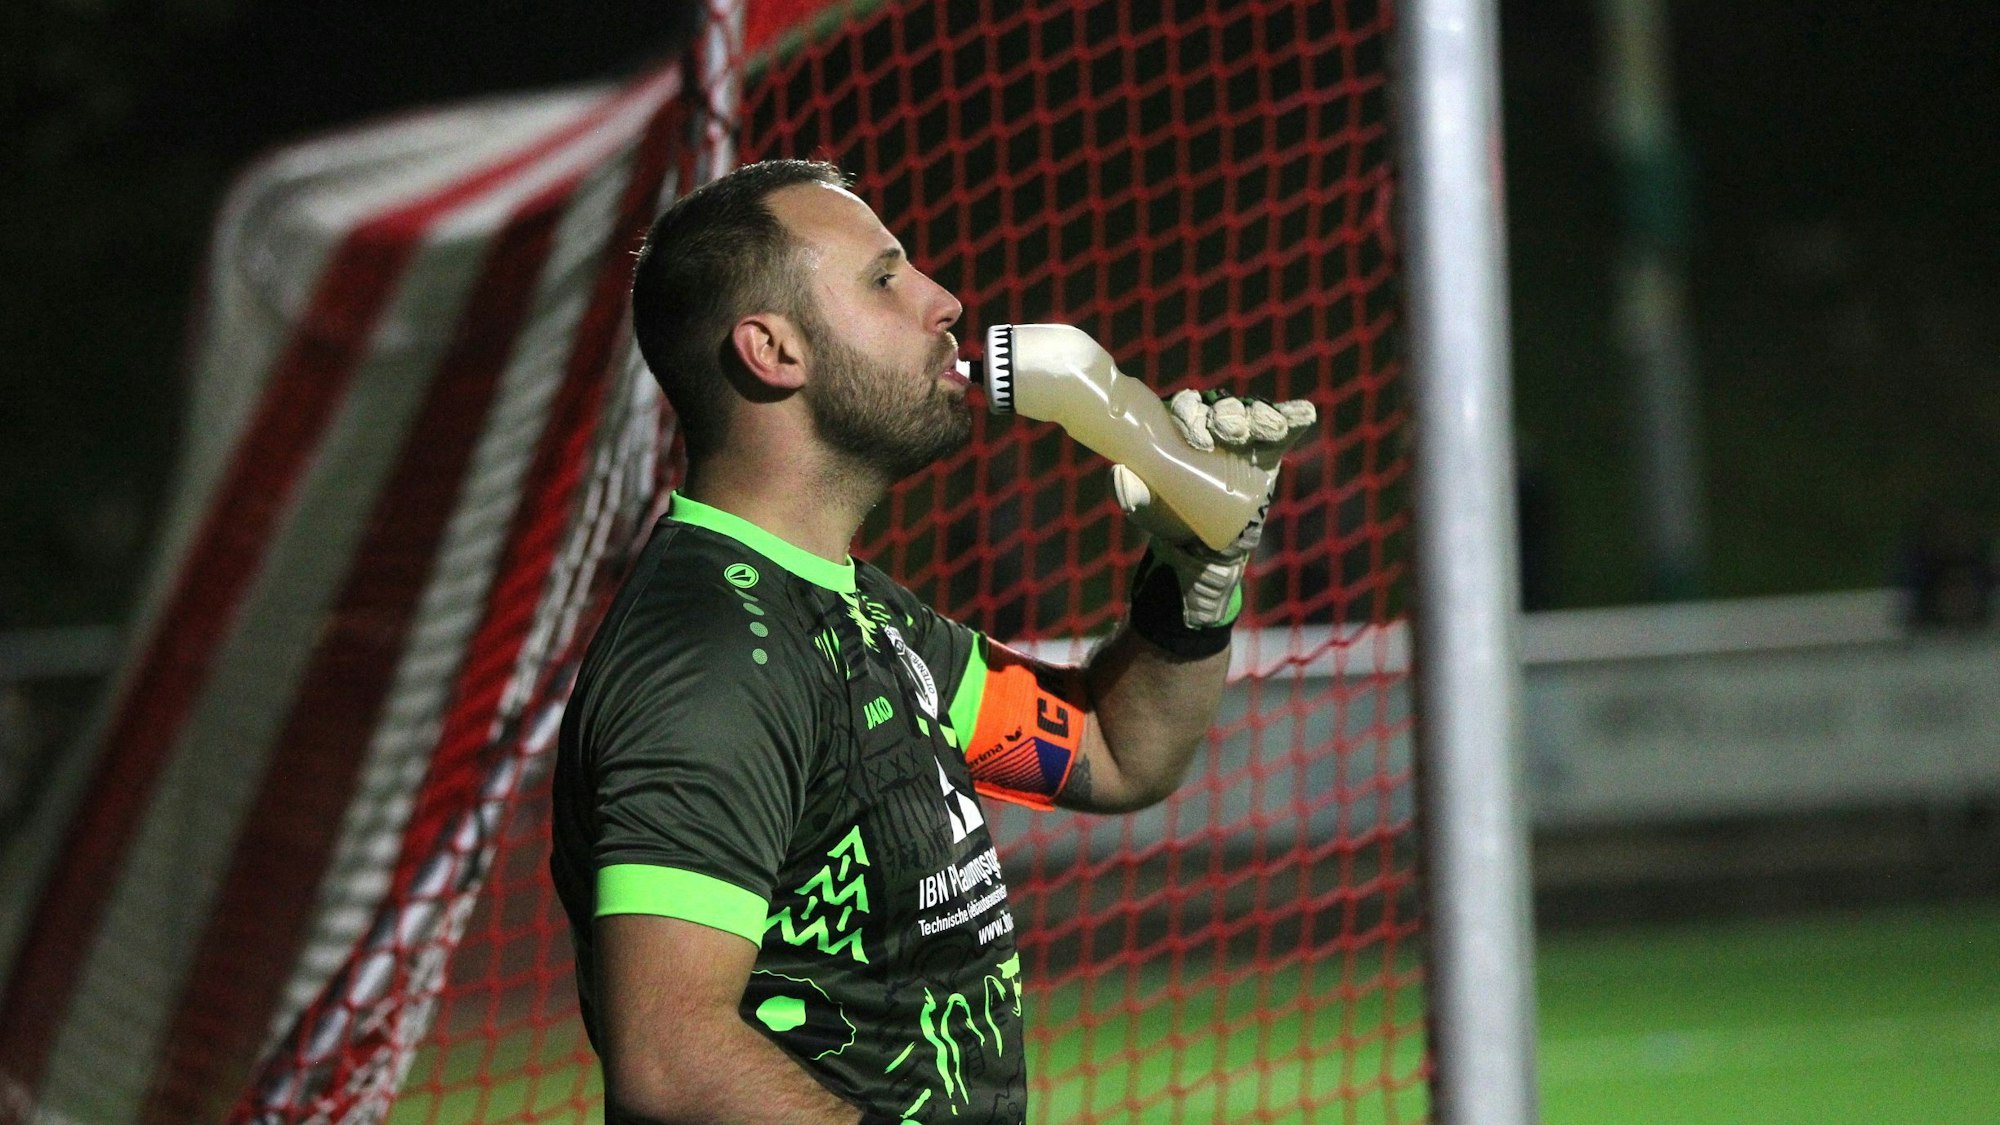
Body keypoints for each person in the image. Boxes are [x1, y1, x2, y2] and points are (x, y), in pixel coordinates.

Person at [550, 159, 1315, 1124]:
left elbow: (1115, 752)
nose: (945, 302)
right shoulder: (713, 657)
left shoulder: (863, 611)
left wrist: (1188, 589)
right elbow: (669, 1057)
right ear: (772, 350)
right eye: (885, 279)